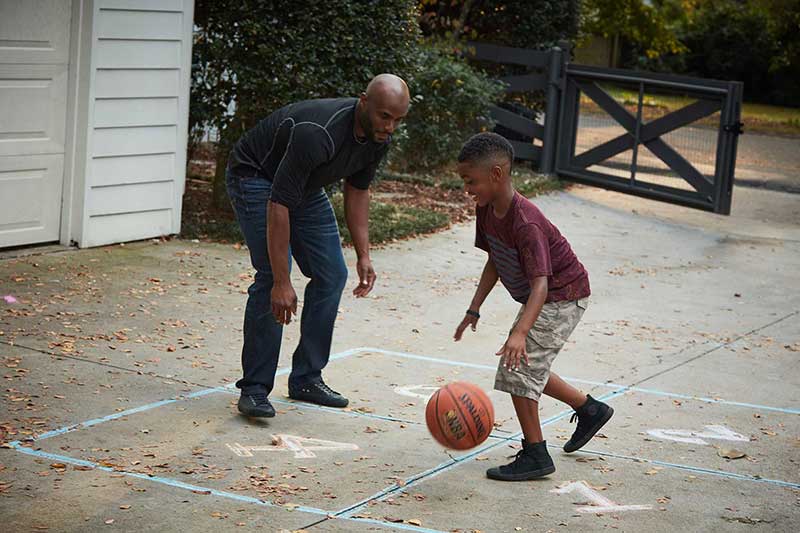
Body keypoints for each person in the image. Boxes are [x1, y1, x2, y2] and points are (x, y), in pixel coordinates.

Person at [226, 74, 410, 417]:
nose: (391, 127)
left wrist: (364, 254)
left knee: (331, 274)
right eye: (385, 116)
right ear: (363, 102)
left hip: (303, 186)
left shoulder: (378, 137)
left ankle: (306, 379)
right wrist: (283, 281)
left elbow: (358, 191)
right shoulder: (318, 132)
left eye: (399, 119)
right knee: (269, 276)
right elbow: (278, 204)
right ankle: (254, 388)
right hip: (255, 176)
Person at [453, 132, 613, 481]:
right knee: (526, 366)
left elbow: (541, 283)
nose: (467, 189)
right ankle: (590, 410)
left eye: (471, 180)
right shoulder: (487, 210)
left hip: (561, 294)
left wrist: (521, 332)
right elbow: (494, 260)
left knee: (516, 371)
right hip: (544, 295)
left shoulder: (526, 221)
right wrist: (473, 309)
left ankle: (536, 454)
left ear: (496, 174)